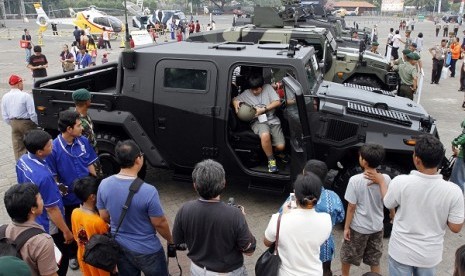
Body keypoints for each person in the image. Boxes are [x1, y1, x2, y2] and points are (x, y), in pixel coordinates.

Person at [367, 134, 464, 275]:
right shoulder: (453, 191)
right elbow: (456, 227)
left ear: (417, 159)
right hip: (429, 255)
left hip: (401, 252)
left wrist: (382, 182)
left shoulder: (401, 182)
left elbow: (388, 202)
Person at [97, 140, 173, 276]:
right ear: (138, 159)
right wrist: (170, 240)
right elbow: (159, 223)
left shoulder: (104, 184)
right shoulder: (148, 191)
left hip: (120, 246)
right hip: (148, 250)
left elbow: (104, 216)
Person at [172, 159, 256, 275]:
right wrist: (242, 219)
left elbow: (178, 244)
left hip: (198, 270)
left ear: (195, 185)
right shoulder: (234, 215)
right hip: (227, 272)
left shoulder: (184, 209)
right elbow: (249, 251)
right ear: (224, 183)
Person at [16, 130, 73, 276]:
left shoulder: (22, 161)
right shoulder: (44, 176)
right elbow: (52, 209)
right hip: (49, 224)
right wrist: (66, 231)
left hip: (34, 218)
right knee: (60, 257)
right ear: (40, 151)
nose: (52, 145)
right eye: (49, 145)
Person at [47, 110, 98, 271]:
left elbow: (90, 163)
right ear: (69, 129)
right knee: (72, 227)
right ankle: (73, 255)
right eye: (78, 125)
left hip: (87, 196)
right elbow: (53, 177)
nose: (82, 128)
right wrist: (62, 192)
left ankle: (93, 250)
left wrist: (96, 182)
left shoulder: (82, 141)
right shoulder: (54, 149)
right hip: (69, 199)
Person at [279, 159, 344, 276]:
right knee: (325, 271)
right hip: (324, 245)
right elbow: (340, 217)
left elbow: (282, 217)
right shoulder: (333, 196)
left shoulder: (294, 198)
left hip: (299, 245)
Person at [264, 173, 332, 275]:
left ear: (295, 194)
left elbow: (267, 242)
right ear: (318, 195)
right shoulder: (326, 219)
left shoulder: (279, 219)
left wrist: (284, 214)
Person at [340, 144, 393, 276]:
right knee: (374, 259)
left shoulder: (355, 180)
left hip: (358, 227)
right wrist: (392, 214)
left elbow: (351, 207)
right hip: (377, 227)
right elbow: (390, 200)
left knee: (348, 256)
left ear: (364, 161)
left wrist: (346, 228)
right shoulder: (385, 179)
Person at [232, 73, 285, 173]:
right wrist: (235, 103)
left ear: (262, 87)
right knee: (265, 135)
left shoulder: (268, 88)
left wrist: (264, 109)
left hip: (272, 120)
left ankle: (273, 152)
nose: (254, 92)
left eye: (257, 89)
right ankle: (271, 160)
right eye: (252, 89)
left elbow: (277, 102)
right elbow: (234, 99)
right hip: (258, 121)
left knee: (281, 147)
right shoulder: (247, 93)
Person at [3, 183, 59, 276]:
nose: (42, 201)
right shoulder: (42, 241)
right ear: (33, 209)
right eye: (40, 198)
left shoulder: (4, 230)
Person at [71, 176, 109, 276]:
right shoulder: (98, 222)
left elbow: (76, 235)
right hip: (99, 263)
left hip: (83, 256)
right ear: (92, 197)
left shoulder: (75, 212)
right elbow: (107, 245)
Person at [1, 75, 38, 160]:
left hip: (13, 123)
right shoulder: (25, 96)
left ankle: (21, 164)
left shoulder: (5, 96)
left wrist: (11, 123)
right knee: (31, 143)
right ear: (19, 83)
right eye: (22, 83)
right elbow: (32, 113)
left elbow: (4, 114)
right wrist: (37, 123)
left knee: (18, 146)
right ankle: (33, 162)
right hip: (26, 123)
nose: (22, 85)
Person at [450, 119, 465, 191]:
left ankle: (457, 196)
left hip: (462, 157)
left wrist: (454, 143)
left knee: (457, 179)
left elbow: (461, 139)